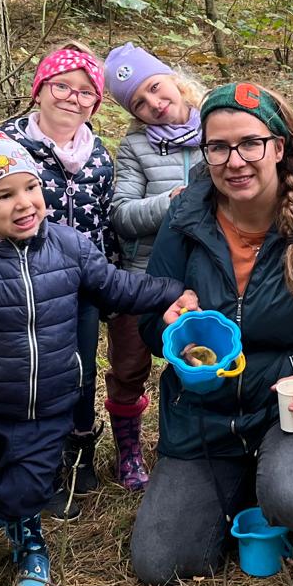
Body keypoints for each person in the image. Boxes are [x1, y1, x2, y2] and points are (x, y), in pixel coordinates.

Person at [0, 130, 194, 586]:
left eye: (30, 187)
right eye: (3, 195)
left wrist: (172, 290)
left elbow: (118, 289)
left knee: (32, 481)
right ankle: (27, 537)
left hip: (53, 399)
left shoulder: (70, 247)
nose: (24, 203)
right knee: (5, 479)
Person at [129, 82, 293, 585]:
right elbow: (152, 322)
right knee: (162, 563)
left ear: (278, 147)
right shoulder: (185, 216)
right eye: (218, 147)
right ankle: (249, 475)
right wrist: (169, 323)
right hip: (208, 409)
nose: (234, 161)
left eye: (249, 143)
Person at [0, 42, 114, 515]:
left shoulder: (99, 155)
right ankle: (34, 458)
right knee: (31, 371)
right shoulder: (5, 144)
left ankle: (77, 453)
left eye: (85, 92)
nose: (72, 98)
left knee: (78, 368)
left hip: (79, 285)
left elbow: (104, 220)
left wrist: (108, 281)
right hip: (16, 284)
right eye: (62, 85)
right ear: (40, 89)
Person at [103, 43, 207, 491]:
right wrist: (172, 203)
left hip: (204, 273)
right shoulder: (135, 147)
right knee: (129, 366)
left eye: (154, 88)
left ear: (173, 80)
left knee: (199, 361)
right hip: (142, 277)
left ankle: (189, 444)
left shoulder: (218, 128)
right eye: (138, 104)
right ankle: (128, 450)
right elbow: (122, 215)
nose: (152, 105)